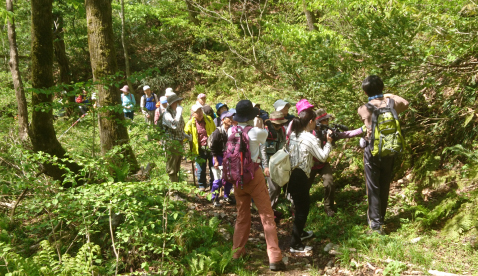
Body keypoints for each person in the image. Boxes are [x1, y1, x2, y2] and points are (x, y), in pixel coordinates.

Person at [229, 100, 285, 271]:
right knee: (266, 216)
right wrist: (258, 123)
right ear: (252, 115)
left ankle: (237, 253)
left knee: (242, 216)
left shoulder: (231, 131)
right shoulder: (257, 132)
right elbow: (264, 138)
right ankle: (274, 257)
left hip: (238, 178)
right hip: (254, 176)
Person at [357, 75, 409, 235]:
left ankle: (375, 225)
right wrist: (387, 95)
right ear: (382, 87)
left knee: (373, 187)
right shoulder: (393, 103)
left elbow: (364, 118)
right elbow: (406, 103)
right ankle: (381, 218)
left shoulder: (364, 108)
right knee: (385, 183)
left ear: (365, 92)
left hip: (372, 151)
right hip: (390, 149)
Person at [288, 107, 333, 253]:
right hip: (300, 176)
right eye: (315, 121)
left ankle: (299, 233)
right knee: (303, 210)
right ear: (311, 121)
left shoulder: (294, 134)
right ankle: (295, 244)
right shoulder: (310, 137)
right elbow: (322, 157)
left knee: (300, 207)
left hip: (290, 174)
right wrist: (329, 142)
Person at [310, 108, 365, 217]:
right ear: (318, 122)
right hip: (310, 165)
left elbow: (346, 134)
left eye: (327, 119)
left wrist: (361, 130)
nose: (327, 122)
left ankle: (329, 207)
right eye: (325, 120)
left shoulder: (329, 133)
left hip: (323, 164)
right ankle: (297, 208)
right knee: (303, 186)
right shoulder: (309, 134)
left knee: (329, 183)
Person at [184, 104, 216, 191]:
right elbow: (185, 135)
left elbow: (214, 130)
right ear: (193, 114)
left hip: (210, 147)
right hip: (199, 149)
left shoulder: (209, 119)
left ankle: (213, 183)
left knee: (212, 167)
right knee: (201, 169)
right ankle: (202, 185)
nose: (199, 113)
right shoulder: (190, 123)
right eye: (197, 112)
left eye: (200, 111)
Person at [262, 111, 288, 209]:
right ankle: (267, 210)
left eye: (281, 124)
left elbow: (283, 144)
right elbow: (263, 150)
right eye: (277, 125)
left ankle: (272, 209)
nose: (279, 127)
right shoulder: (266, 132)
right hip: (268, 162)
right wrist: (265, 166)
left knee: (277, 187)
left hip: (278, 162)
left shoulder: (282, 131)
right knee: (273, 188)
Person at [209, 111, 236, 207]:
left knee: (229, 178)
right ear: (223, 120)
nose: (231, 119)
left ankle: (226, 195)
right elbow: (213, 148)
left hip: (228, 157)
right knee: (218, 179)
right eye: (229, 118)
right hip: (219, 157)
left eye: (231, 117)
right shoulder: (218, 132)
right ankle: (215, 198)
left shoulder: (232, 131)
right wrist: (216, 160)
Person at [162, 94, 190, 182]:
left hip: (179, 141)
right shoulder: (167, 114)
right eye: (177, 102)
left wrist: (187, 136)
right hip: (171, 143)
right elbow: (174, 125)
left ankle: (177, 190)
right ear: (173, 103)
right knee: (172, 168)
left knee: (177, 166)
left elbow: (180, 128)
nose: (179, 103)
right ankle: (172, 193)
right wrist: (178, 113)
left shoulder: (177, 113)